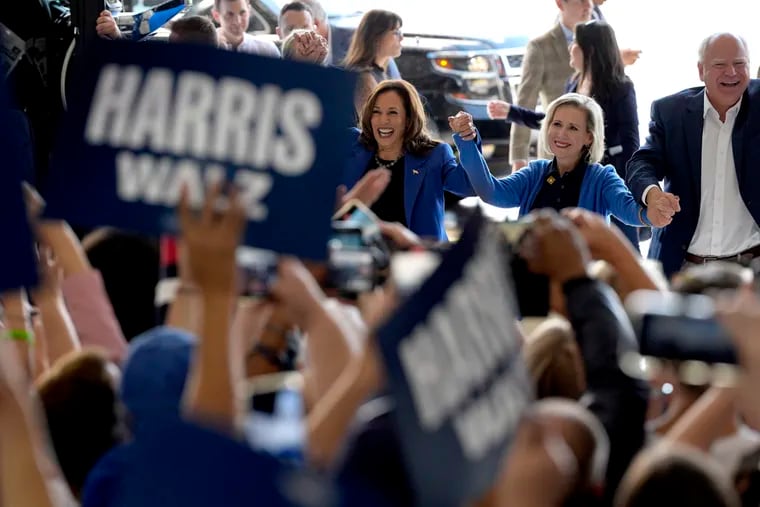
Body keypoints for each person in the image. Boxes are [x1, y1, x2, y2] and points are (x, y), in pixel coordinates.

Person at [489, 20, 642, 246]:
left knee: (622, 249)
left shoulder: (620, 86)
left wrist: (625, 184)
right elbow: (554, 122)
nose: (570, 48)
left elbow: (631, 140)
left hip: (608, 182)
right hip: (574, 177)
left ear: (590, 50)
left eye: (575, 43)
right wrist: (513, 112)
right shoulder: (573, 83)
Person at [626, 32, 760, 277]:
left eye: (740, 64)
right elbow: (642, 162)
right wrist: (653, 194)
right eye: (720, 65)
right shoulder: (671, 112)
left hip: (751, 270)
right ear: (701, 71)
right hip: (683, 267)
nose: (731, 72)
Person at [449, 94, 669, 228]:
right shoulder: (535, 172)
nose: (561, 134)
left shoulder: (602, 178)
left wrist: (652, 214)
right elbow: (491, 191)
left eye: (573, 128)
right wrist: (467, 141)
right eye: (557, 124)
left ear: (589, 137)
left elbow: (630, 210)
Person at [342, 79, 476, 240]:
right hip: (357, 254)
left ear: (408, 119)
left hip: (416, 256)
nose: (383, 120)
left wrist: (466, 139)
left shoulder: (435, 154)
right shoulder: (351, 144)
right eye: (376, 112)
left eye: (392, 112)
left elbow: (471, 186)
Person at [509, 0, 593, 173]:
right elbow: (525, 101)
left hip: (594, 152)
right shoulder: (540, 46)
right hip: (557, 150)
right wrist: (519, 158)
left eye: (590, 0)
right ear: (561, 4)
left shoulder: (601, 42)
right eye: (581, 0)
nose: (588, 5)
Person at [342, 9, 404, 115]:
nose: (401, 38)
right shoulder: (363, 77)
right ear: (376, 37)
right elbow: (374, 124)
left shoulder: (381, 71)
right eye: (396, 32)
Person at [212, 0, 280, 57]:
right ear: (216, 16)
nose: (238, 21)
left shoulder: (267, 50)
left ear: (249, 11)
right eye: (230, 14)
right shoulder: (206, 46)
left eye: (242, 13)